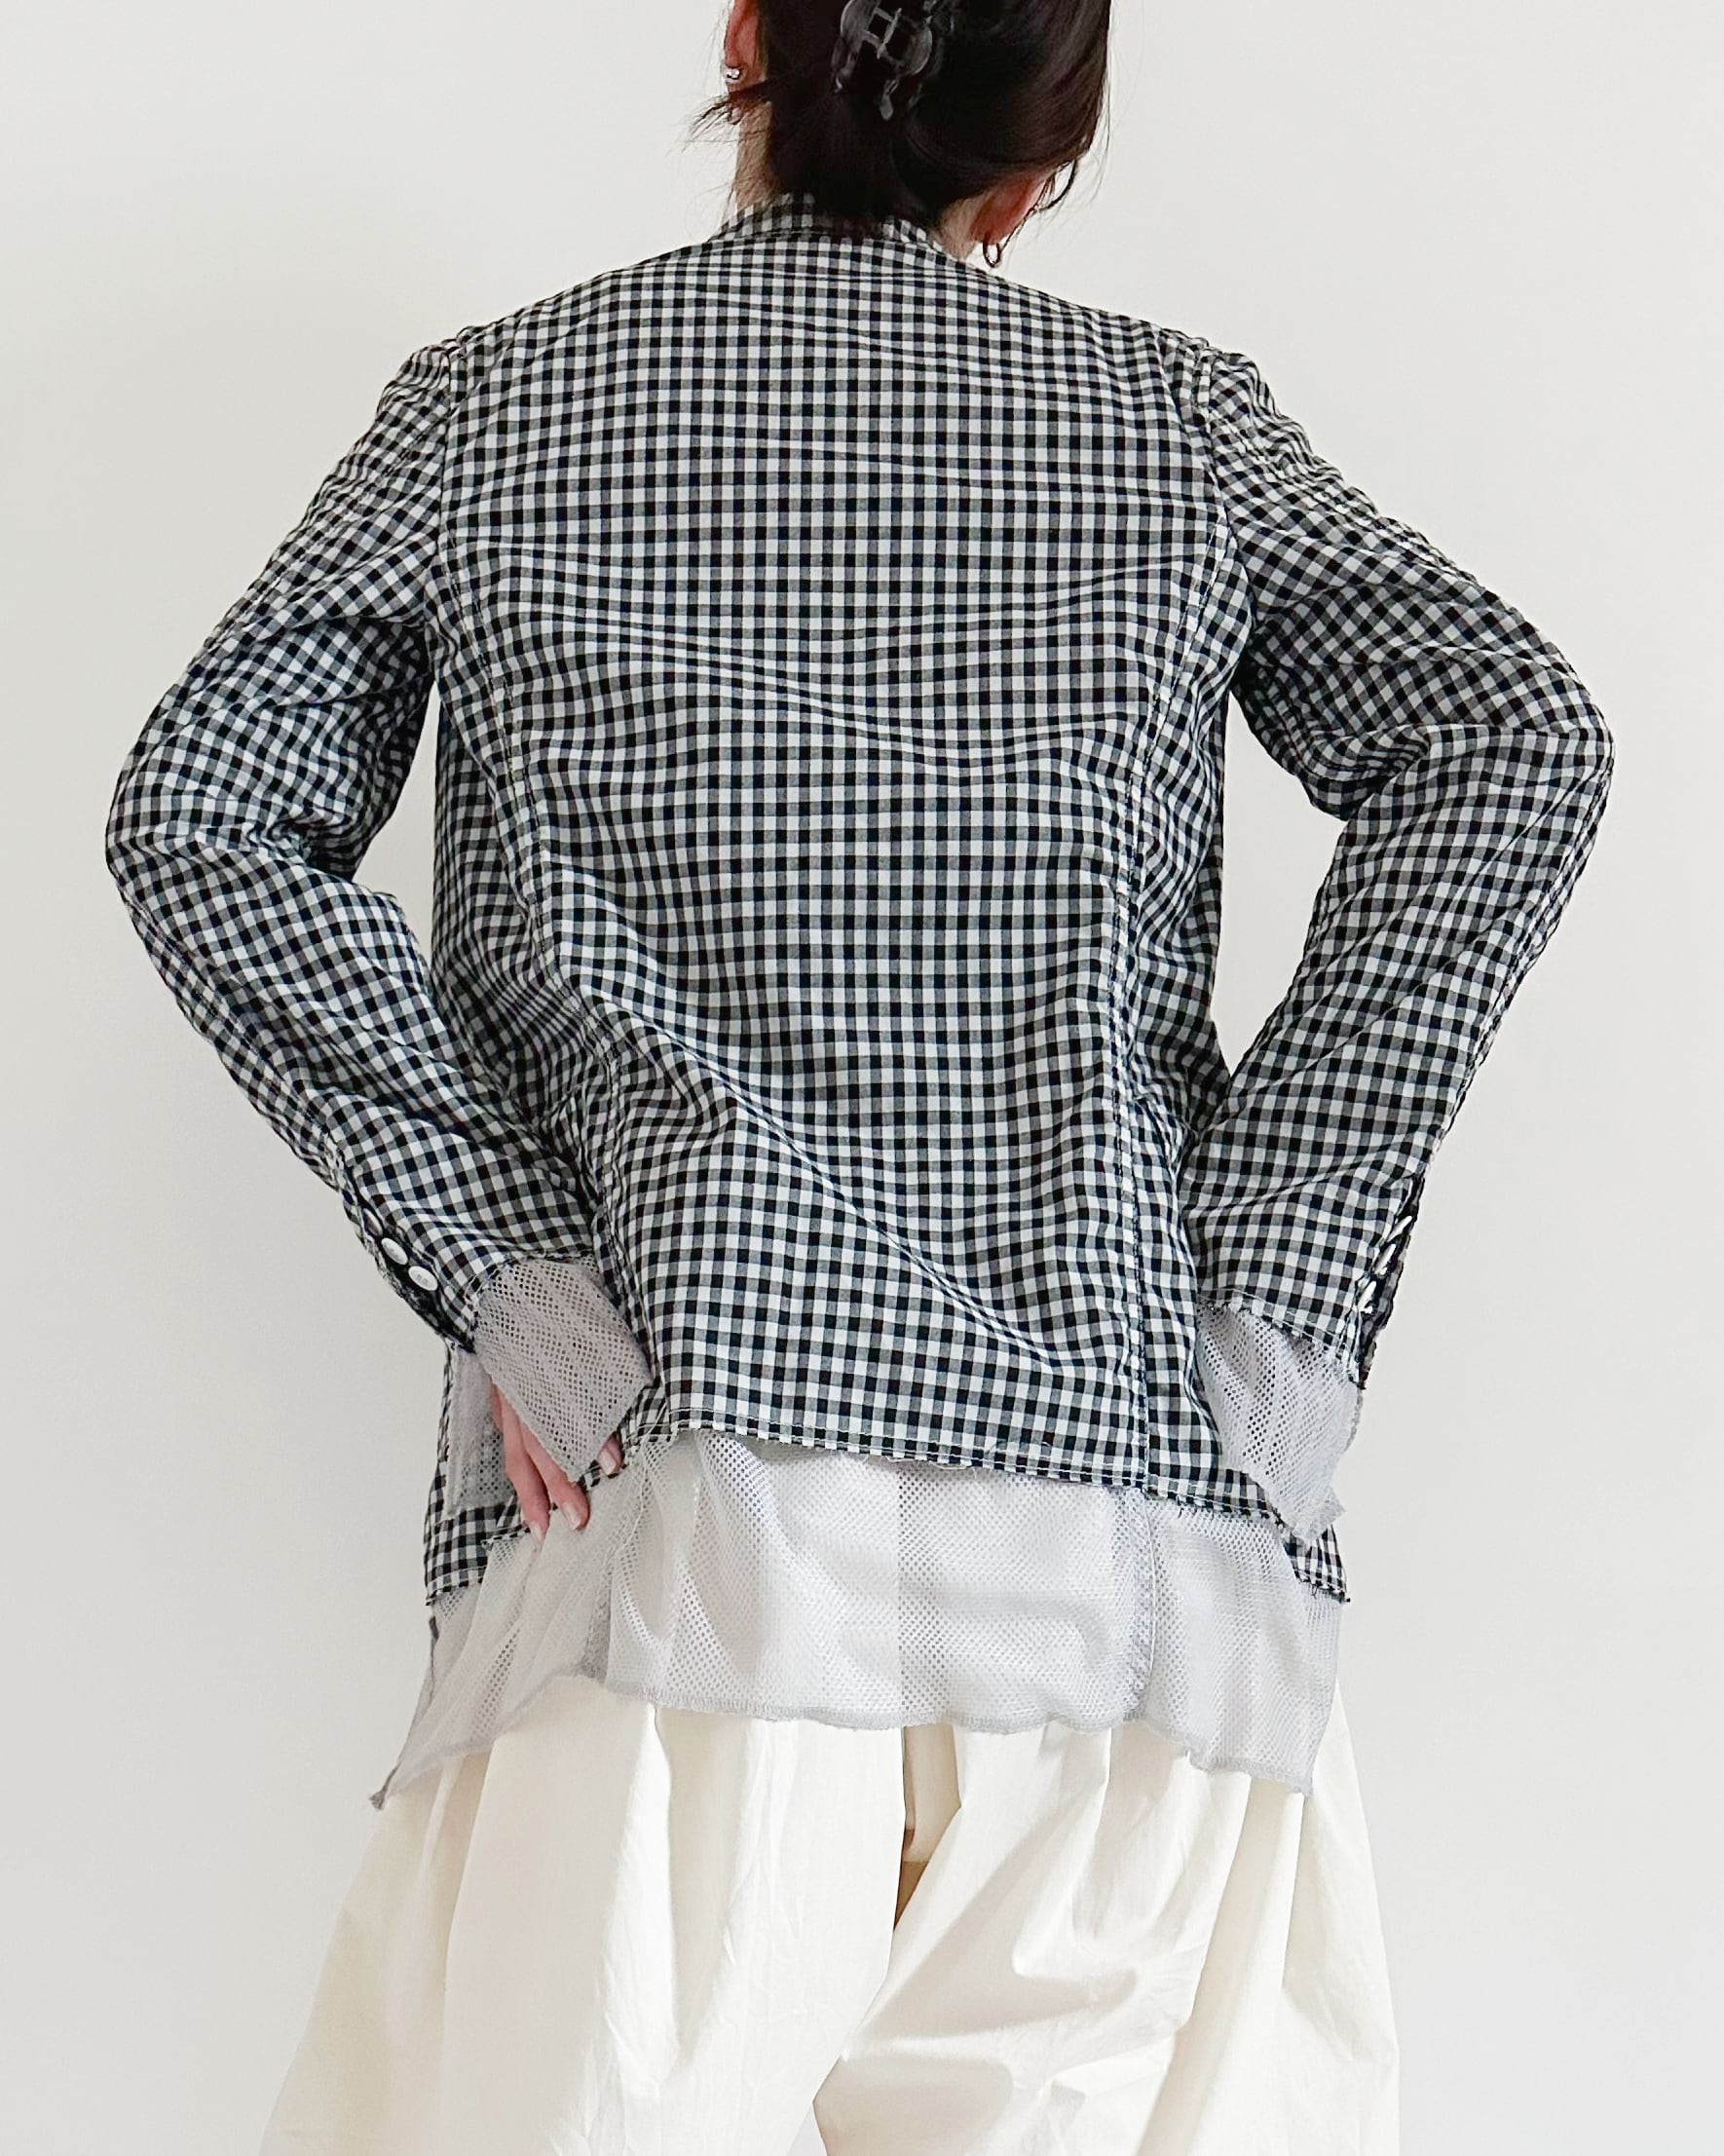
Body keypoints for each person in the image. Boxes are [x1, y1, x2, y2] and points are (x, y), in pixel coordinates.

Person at [102, 2, 1614, 2150]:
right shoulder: (1174, 426)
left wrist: (514, 1269)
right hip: (1130, 1553)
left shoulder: (492, 411)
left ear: (749, 37)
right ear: (1046, 149)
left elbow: (202, 816)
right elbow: (1507, 739)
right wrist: (1281, 1291)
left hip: (676, 1518)